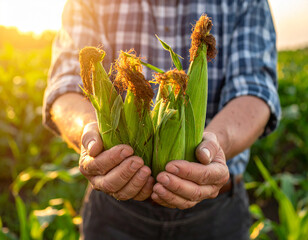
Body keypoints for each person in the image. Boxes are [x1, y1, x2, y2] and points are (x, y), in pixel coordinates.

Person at [43, 0, 281, 239]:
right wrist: (89, 132)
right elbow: (66, 84)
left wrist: (213, 147)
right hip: (115, 210)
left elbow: (255, 90)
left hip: (215, 212)